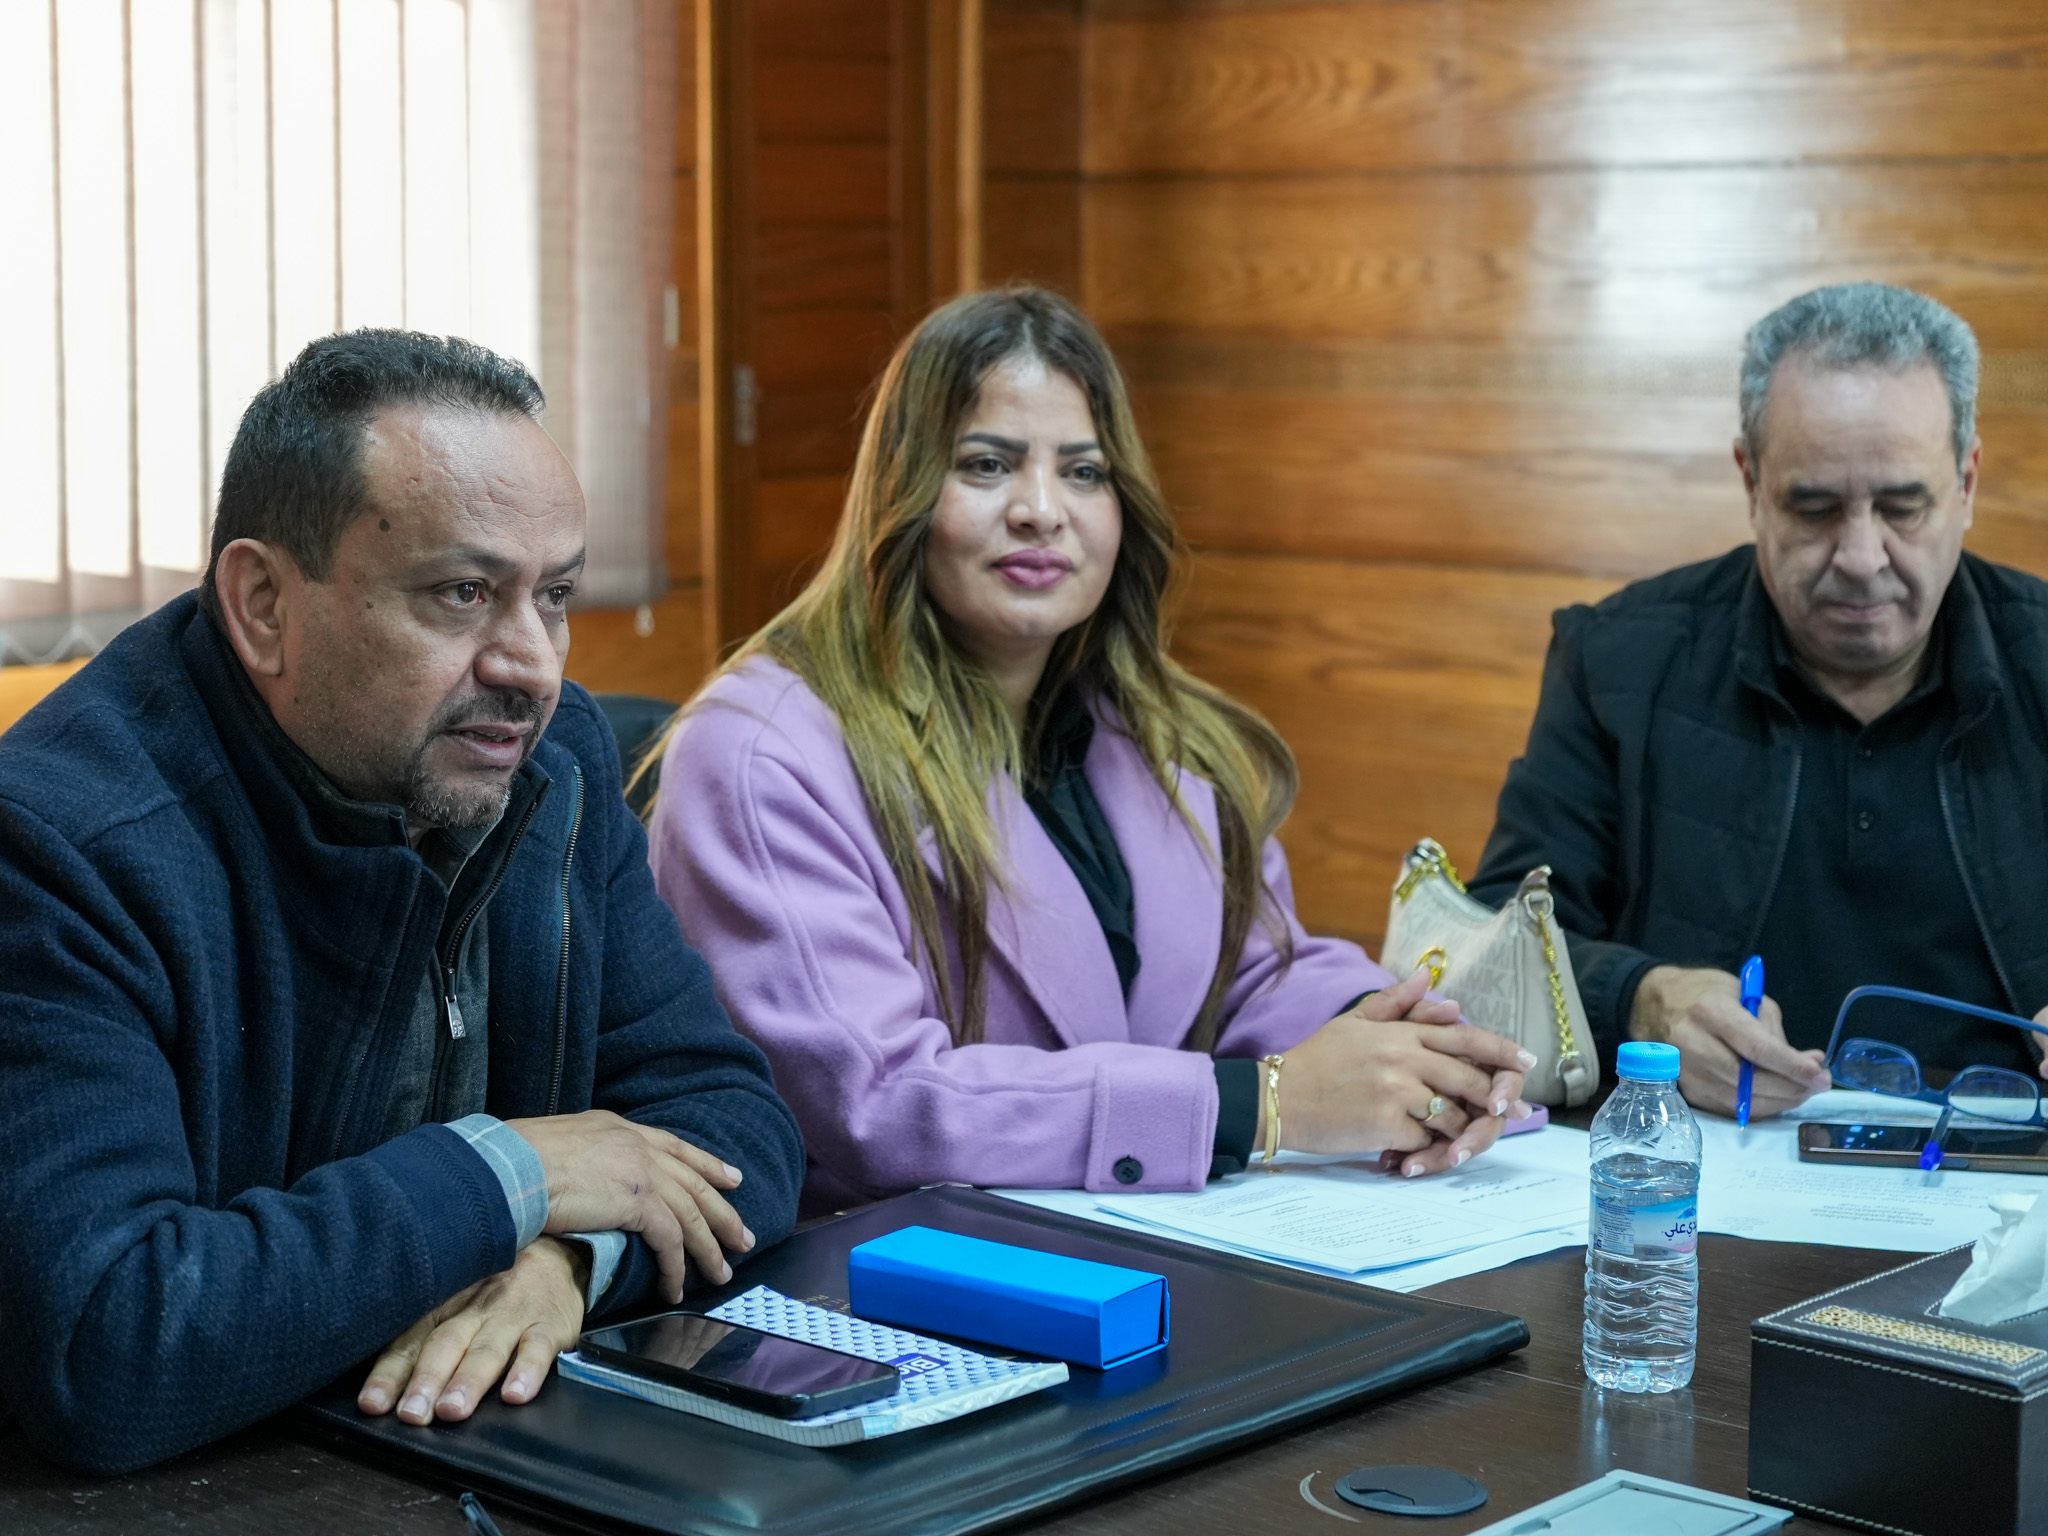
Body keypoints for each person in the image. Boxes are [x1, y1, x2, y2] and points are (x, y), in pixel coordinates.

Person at [0, 332, 804, 1474]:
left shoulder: (552, 765)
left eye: (554, 596)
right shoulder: (55, 846)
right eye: (463, 594)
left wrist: (566, 1263)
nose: (532, 666)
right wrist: (513, 1175)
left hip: (457, 1444)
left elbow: (731, 1121)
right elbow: (112, 1342)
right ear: (263, 604)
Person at [645, 288, 1533, 1215]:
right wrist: (1263, 1106)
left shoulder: (1162, 731)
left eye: (1083, 471)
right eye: (987, 465)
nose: (1041, 510)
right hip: (887, 1264)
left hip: (1150, 1236)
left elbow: (1249, 974)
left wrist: (1397, 1046)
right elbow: (876, 1102)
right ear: (902, 495)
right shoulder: (759, 755)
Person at [1471, 282, 2048, 1119]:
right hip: (1701, 1164)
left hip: (2008, 1167)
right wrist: (1642, 998)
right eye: (1814, 508)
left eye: (1902, 506)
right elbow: (1492, 945)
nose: (1861, 556)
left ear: (1966, 483)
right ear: (1751, 481)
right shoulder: (1620, 663)